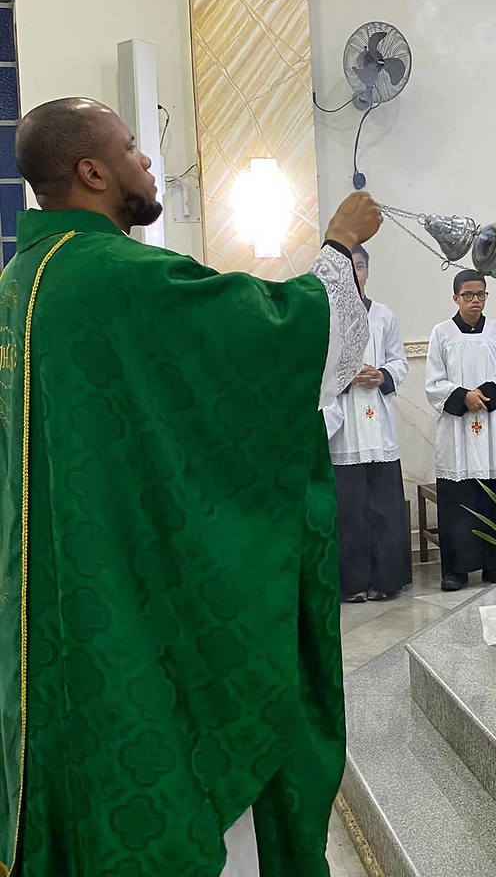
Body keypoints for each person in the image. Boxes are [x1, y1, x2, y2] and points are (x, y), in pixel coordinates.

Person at [0, 96, 382, 877]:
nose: (148, 163)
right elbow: (280, 340)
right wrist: (339, 247)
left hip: (49, 608)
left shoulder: (20, 281)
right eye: (133, 148)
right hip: (123, 610)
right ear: (92, 170)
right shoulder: (114, 277)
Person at [323, 244, 412, 602]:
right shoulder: (328, 316)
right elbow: (320, 368)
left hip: (378, 422)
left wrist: (383, 374)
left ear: (367, 271)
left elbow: (401, 361)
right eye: (348, 267)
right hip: (346, 427)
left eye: (359, 266)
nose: (355, 273)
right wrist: (346, 377)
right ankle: (353, 583)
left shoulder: (384, 316)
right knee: (351, 510)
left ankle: (387, 580)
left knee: (384, 507)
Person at [425, 269, 496, 592]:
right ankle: (456, 570)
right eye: (468, 295)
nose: (475, 301)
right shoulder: (441, 334)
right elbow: (433, 383)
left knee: (494, 496)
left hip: (490, 426)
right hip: (457, 431)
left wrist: (486, 393)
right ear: (455, 298)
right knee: (458, 501)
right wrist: (463, 397)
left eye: (481, 294)